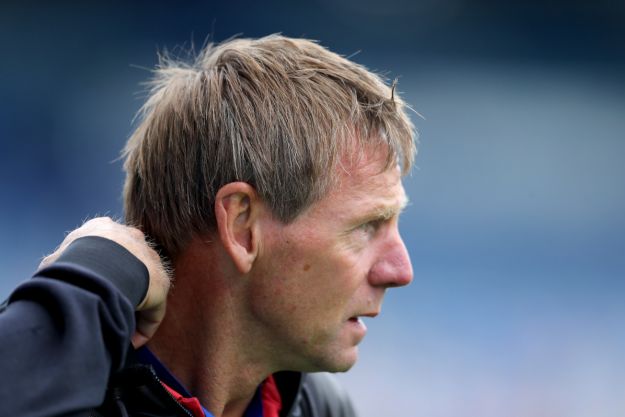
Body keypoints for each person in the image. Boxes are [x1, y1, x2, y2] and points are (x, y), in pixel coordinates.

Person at [0, 34, 416, 417]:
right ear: (240, 226)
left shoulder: (315, 408)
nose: (401, 271)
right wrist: (96, 270)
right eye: (366, 226)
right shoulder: (81, 395)